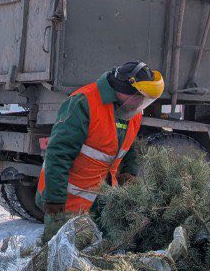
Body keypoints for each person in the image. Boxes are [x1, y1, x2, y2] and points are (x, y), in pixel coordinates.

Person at [37, 60, 165, 223]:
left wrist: (129, 172)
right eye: (140, 98)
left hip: (103, 200)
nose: (141, 103)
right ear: (124, 90)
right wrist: (54, 199)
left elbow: (128, 144)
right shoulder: (84, 102)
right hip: (68, 203)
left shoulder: (131, 111)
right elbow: (58, 154)